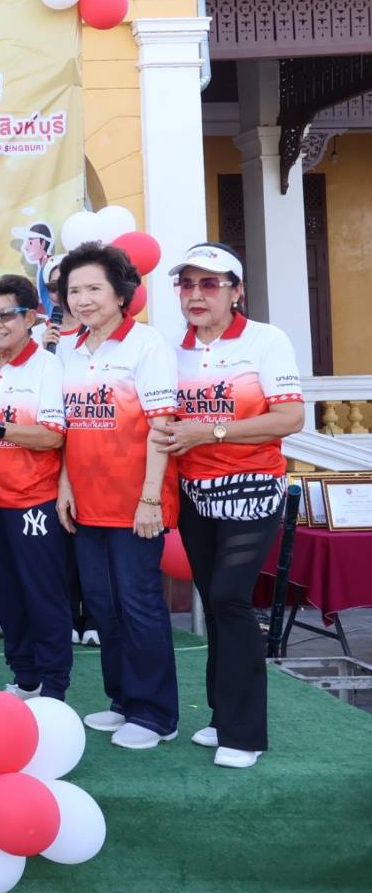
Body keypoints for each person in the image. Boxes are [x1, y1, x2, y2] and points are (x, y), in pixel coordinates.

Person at [153, 243, 305, 769]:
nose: (196, 295)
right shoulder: (171, 350)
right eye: (187, 284)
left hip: (252, 487)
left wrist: (210, 430)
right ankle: (222, 716)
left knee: (230, 598)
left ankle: (245, 734)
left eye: (210, 284)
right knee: (215, 604)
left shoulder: (265, 340)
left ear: (236, 291)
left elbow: (290, 418)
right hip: (195, 494)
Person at [56, 241, 181, 751]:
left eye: (94, 288)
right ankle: (124, 700)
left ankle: (156, 714)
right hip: (87, 501)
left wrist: (150, 499)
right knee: (103, 606)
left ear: (121, 293)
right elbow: (68, 426)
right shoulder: (68, 348)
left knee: (139, 604)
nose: (83, 299)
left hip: (136, 504)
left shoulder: (147, 345)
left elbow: (162, 425)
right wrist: (65, 485)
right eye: (74, 291)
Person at [0, 275, 72, 701]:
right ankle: (25, 677)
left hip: (31, 501)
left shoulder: (48, 367)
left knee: (42, 594)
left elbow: (53, 436)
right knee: (3, 594)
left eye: (6, 315)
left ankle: (53, 687)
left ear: (31, 317)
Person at [43, 256, 97, 647]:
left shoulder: (97, 335)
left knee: (88, 535)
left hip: (90, 446)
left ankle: (93, 616)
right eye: (55, 287)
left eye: (69, 285)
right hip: (48, 448)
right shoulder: (39, 334)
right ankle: (65, 615)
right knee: (57, 541)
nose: (62, 294)